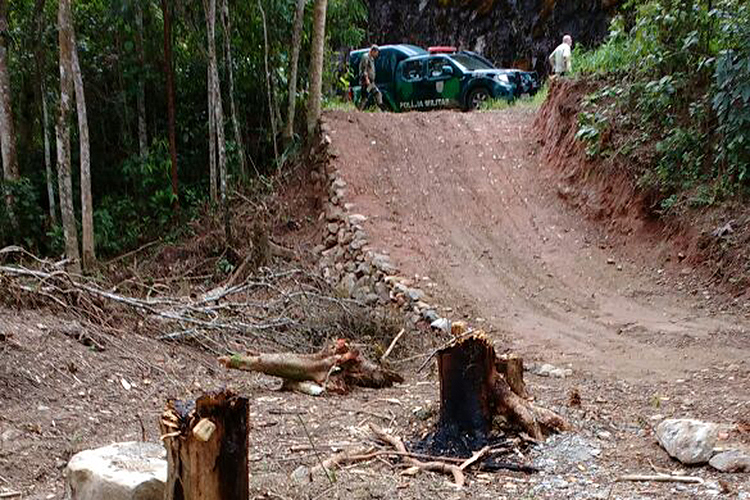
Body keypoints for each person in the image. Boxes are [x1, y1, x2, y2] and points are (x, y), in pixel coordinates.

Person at [358, 45, 383, 110]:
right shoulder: (366, 57)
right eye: (376, 53)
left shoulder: (371, 59)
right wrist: (367, 80)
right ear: (372, 51)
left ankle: (379, 108)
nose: (376, 55)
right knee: (367, 96)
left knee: (374, 94)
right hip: (366, 82)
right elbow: (364, 70)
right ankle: (359, 110)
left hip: (371, 82)